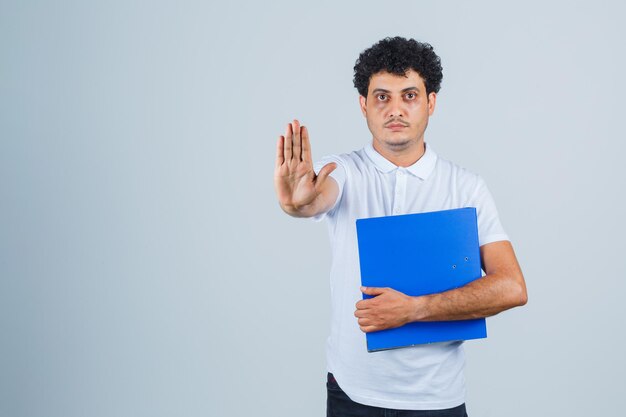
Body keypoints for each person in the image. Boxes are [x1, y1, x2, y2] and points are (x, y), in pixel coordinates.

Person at [273, 36, 527, 417]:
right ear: (363, 105)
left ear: (431, 102)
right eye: (381, 97)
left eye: (409, 95)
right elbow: (315, 198)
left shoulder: (466, 187)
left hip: (436, 399)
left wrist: (416, 309)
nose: (395, 109)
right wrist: (298, 202)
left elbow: (511, 287)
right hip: (351, 393)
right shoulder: (343, 171)